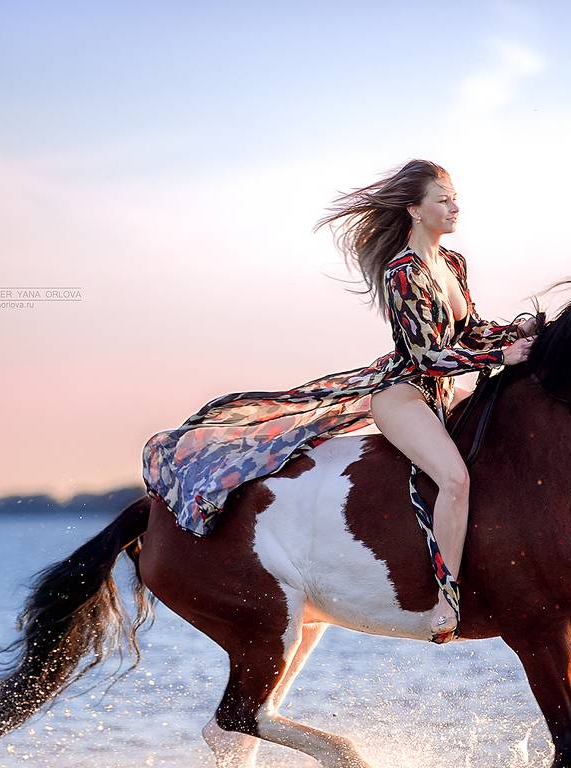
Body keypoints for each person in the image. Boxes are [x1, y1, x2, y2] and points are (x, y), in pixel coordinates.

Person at [141, 159, 535, 642]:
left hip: (445, 389)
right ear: (414, 209)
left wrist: (516, 333)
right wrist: (501, 354)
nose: (455, 207)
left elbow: (469, 328)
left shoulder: (452, 264)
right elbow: (424, 354)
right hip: (405, 393)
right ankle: (445, 600)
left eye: (455, 198)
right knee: (454, 479)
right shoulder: (402, 272)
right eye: (443, 199)